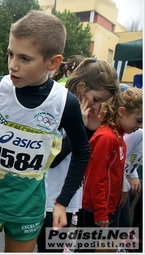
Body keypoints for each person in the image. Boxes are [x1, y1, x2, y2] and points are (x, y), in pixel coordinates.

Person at [0, 10, 91, 252]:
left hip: (28, 211)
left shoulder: (65, 103)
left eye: (24, 58)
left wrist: (62, 202)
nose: (12, 65)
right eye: (10, 54)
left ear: (53, 63)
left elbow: (82, 151)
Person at [37, 57, 120, 252]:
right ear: (82, 87)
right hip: (47, 197)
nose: (98, 107)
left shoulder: (84, 113)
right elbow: (53, 159)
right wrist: (80, 129)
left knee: (54, 249)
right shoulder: (56, 106)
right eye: (97, 99)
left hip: (66, 197)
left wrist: (88, 131)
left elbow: (80, 158)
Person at [76, 86, 142, 252]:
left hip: (108, 206)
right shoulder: (106, 137)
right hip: (96, 208)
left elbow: (115, 171)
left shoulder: (118, 135)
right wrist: (100, 212)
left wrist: (122, 189)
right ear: (121, 111)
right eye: (138, 120)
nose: (140, 127)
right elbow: (95, 177)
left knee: (110, 248)